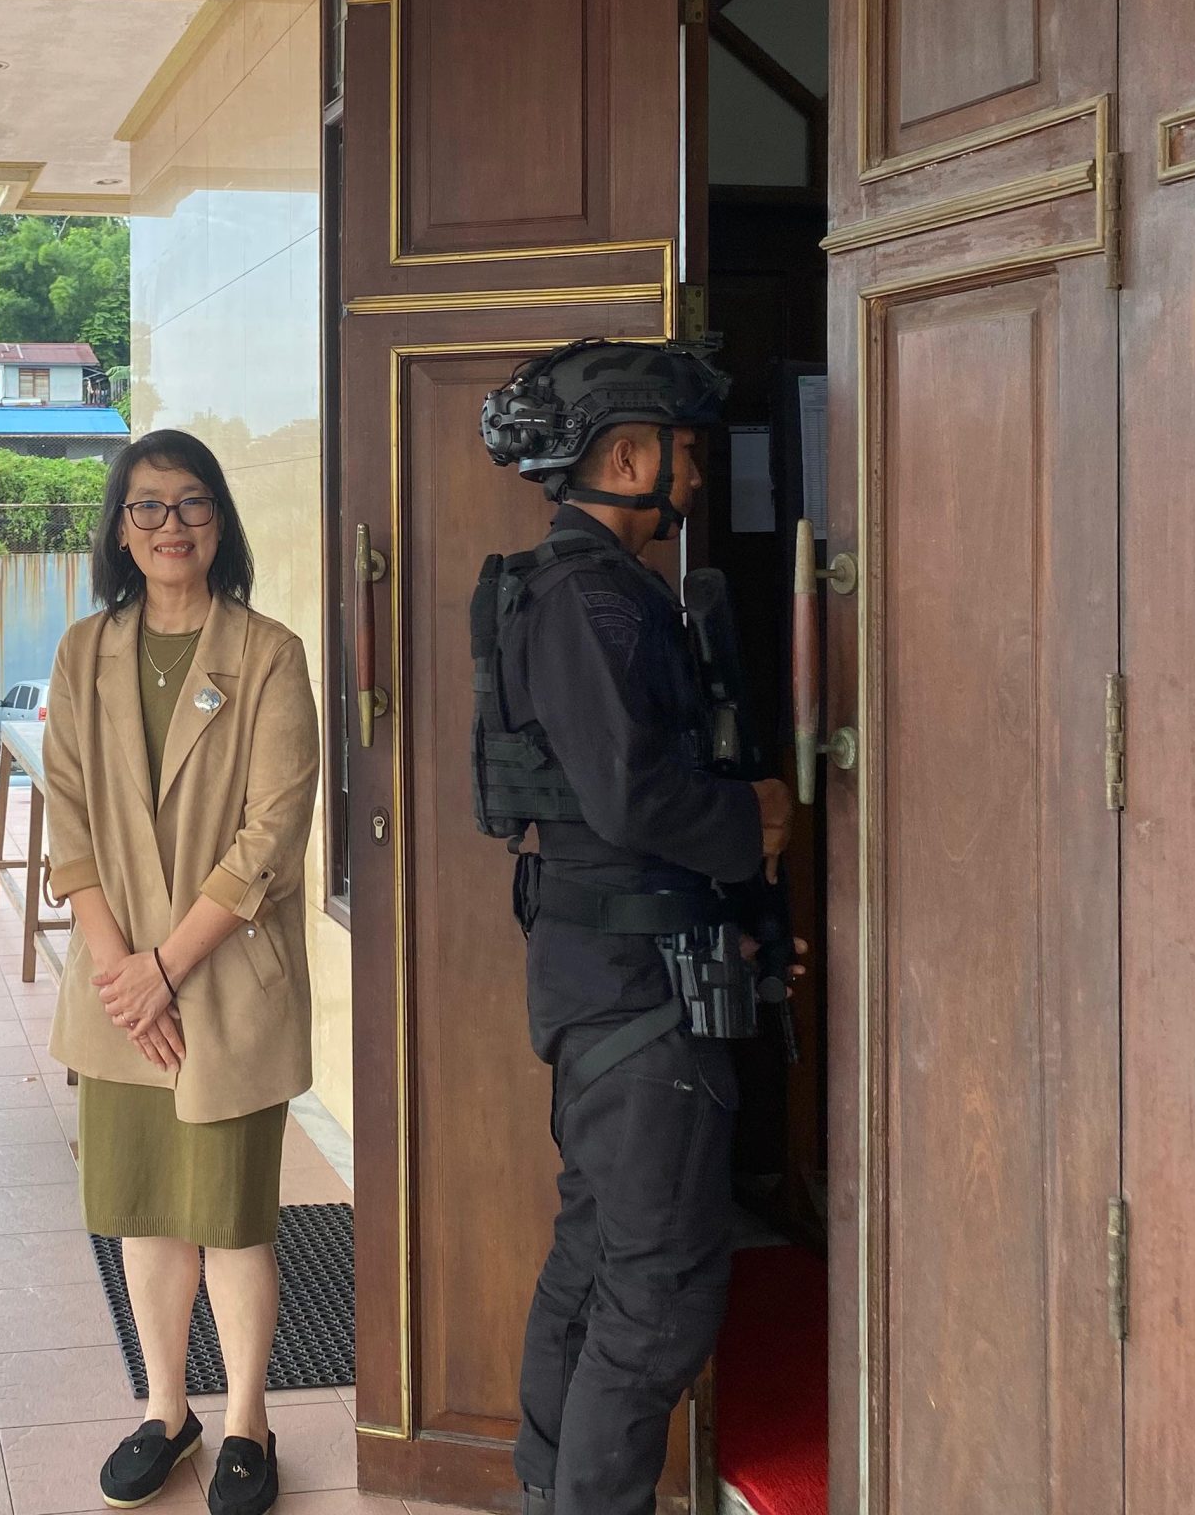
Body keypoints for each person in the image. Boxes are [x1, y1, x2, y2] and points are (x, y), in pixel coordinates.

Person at [474, 340, 799, 1515]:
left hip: (616, 975)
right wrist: (758, 820)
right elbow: (634, 798)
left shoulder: (590, 589)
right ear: (624, 457)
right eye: (684, 452)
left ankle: (547, 1490)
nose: (696, 476)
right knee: (656, 1294)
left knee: (601, 1252)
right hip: (632, 992)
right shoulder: (591, 597)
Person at [40, 430, 319, 1515]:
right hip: (123, 991)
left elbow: (271, 835)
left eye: (192, 504)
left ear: (220, 523)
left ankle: (247, 1418)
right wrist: (124, 973)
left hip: (223, 980)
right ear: (120, 528)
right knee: (147, 1210)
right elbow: (70, 819)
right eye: (148, 506)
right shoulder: (84, 652)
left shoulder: (269, 655)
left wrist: (166, 967)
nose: (170, 525)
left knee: (233, 1216)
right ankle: (167, 1411)